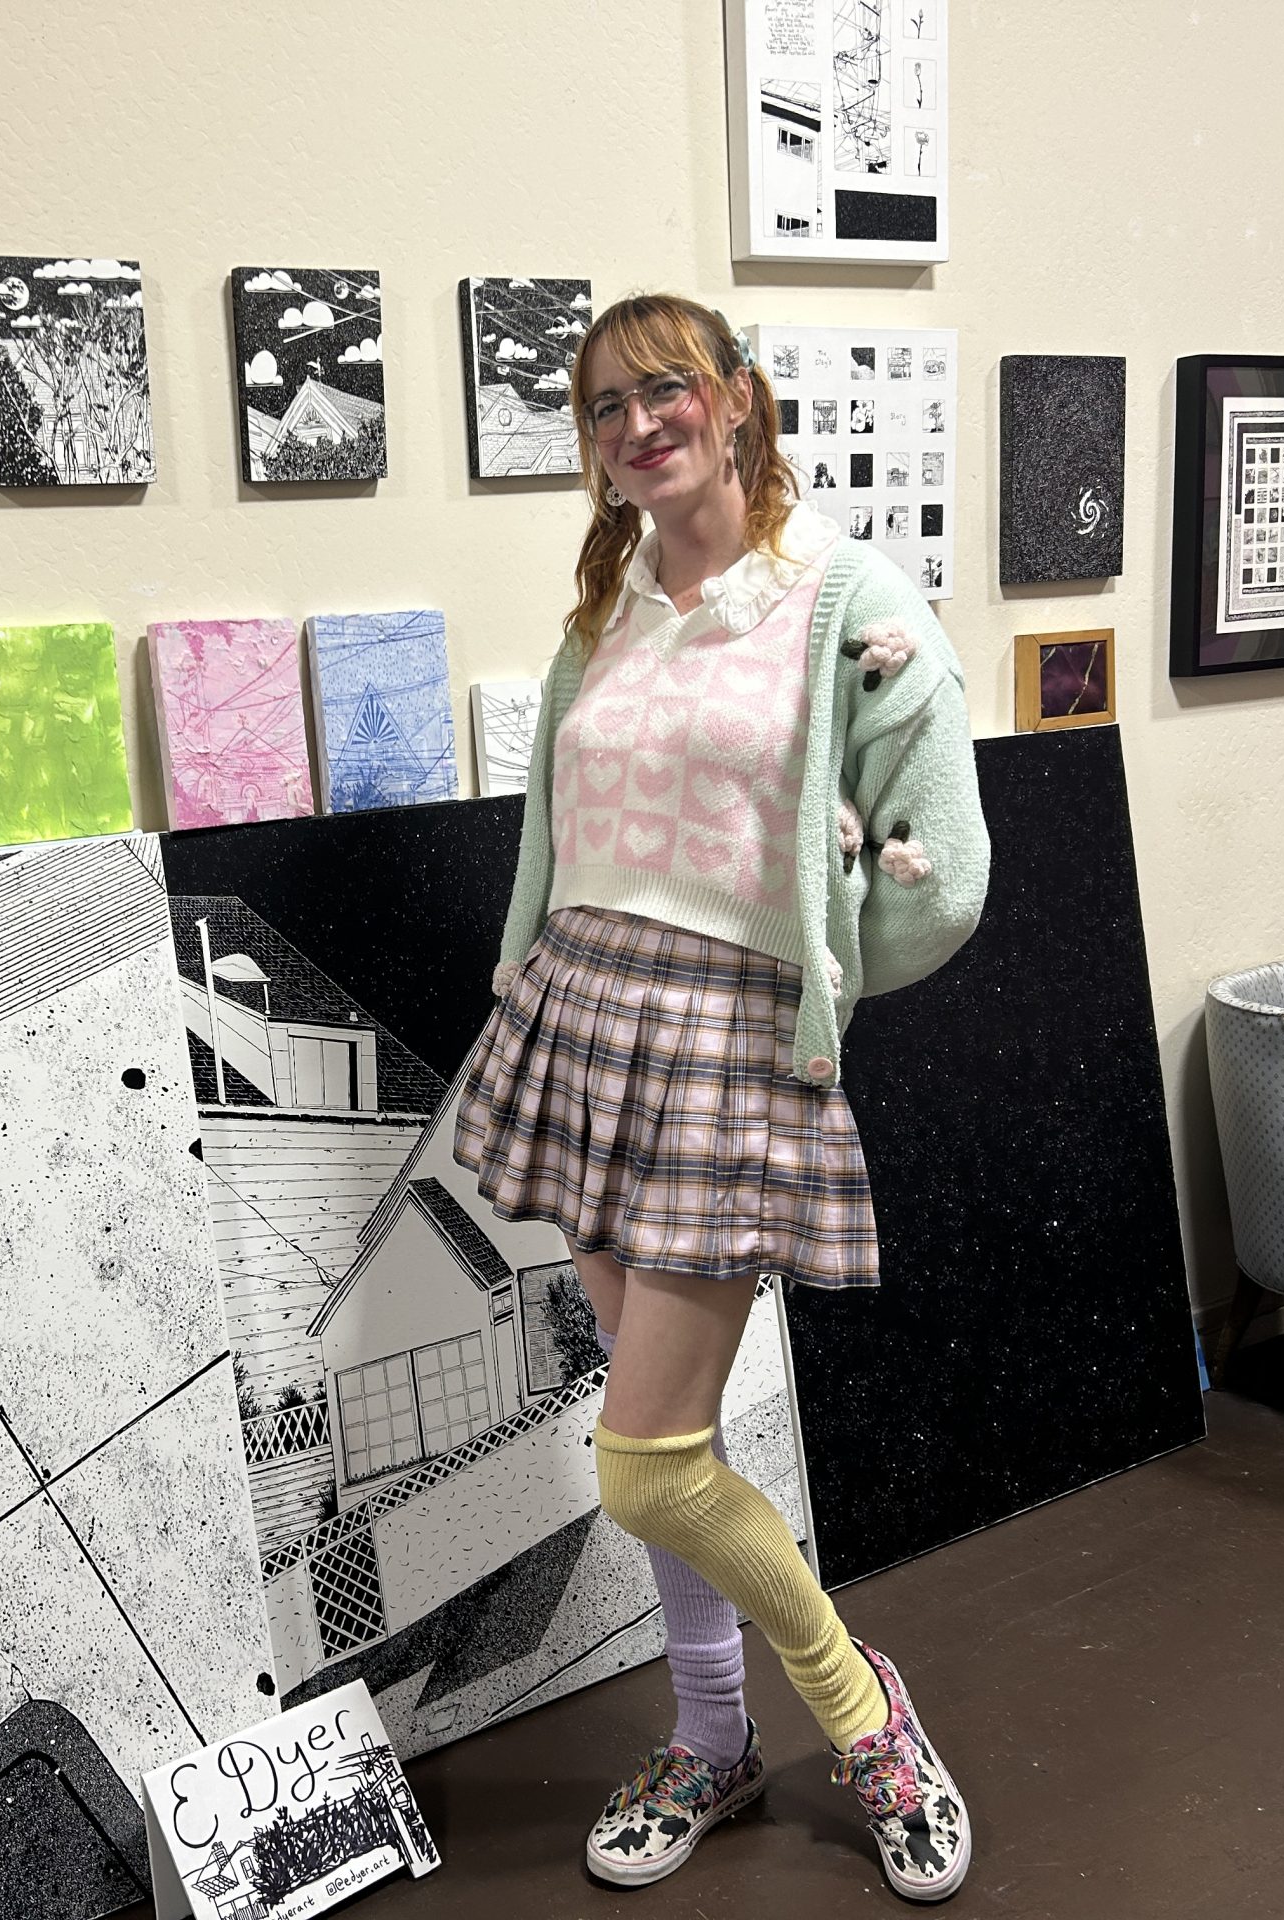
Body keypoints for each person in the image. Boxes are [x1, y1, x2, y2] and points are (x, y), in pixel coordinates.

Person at [452, 295, 989, 1902]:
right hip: (580, 1028)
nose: (634, 426)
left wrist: (802, 994)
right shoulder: (605, 603)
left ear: (738, 402)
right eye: (601, 406)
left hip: (720, 1062)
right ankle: (708, 1733)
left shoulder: (847, 597)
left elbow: (946, 873)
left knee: (646, 1461)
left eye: (663, 390)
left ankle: (860, 1709)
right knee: (653, 1428)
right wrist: (523, 982)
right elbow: (557, 827)